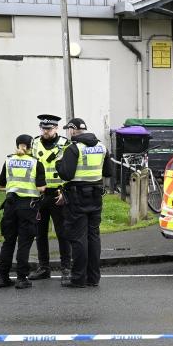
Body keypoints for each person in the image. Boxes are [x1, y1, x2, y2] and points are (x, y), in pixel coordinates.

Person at [56, 118, 112, 288]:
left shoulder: (74, 148)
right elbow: (108, 172)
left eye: (68, 130)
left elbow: (66, 174)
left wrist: (59, 163)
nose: (68, 133)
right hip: (96, 196)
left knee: (78, 238)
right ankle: (93, 278)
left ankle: (78, 278)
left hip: (77, 197)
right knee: (93, 236)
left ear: (72, 130)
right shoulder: (101, 146)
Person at [0, 134, 46, 289]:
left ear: (17, 145)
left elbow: (1, 184)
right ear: (31, 146)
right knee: (24, 243)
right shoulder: (35, 162)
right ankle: (21, 278)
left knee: (8, 242)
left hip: (10, 205)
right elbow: (41, 188)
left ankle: (3, 277)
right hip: (28, 207)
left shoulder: (8, 160)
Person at [28, 114, 72, 280]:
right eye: (43, 128)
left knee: (63, 233)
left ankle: (66, 268)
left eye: (49, 128)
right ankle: (44, 267)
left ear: (56, 128)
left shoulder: (65, 145)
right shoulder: (34, 143)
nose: (45, 131)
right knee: (40, 234)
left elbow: (69, 170)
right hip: (39, 195)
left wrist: (65, 192)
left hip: (57, 194)